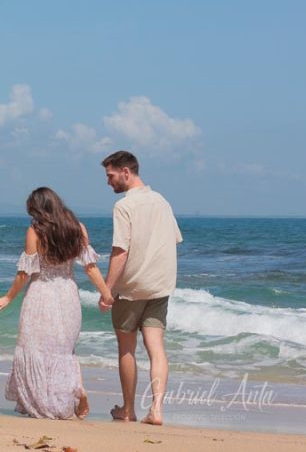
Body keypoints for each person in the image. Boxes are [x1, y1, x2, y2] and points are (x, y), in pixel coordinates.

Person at [0, 187, 113, 419]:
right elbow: (90, 267)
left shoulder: (35, 231)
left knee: (34, 348)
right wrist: (106, 294)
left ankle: (44, 403)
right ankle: (76, 389)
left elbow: (25, 273)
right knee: (65, 351)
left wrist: (8, 297)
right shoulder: (78, 228)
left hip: (41, 295)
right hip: (68, 295)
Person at [99, 150, 183, 426]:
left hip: (132, 287)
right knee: (156, 349)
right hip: (160, 285)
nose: (108, 182)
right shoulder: (162, 201)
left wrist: (107, 289)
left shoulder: (124, 206)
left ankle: (128, 409)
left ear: (126, 172)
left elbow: (120, 251)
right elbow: (173, 240)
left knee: (127, 348)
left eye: (110, 175)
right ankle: (157, 409)